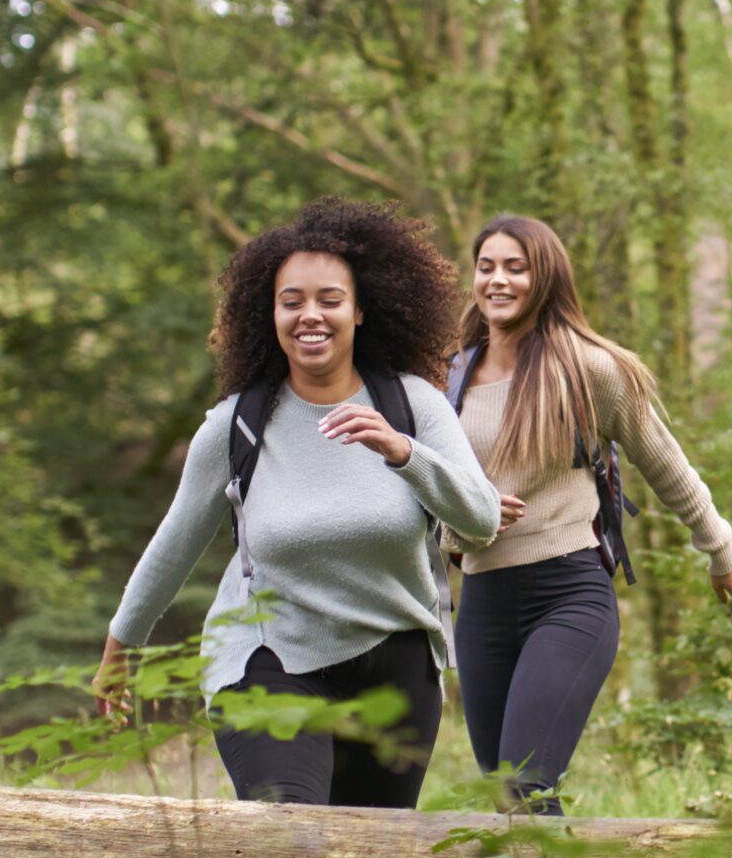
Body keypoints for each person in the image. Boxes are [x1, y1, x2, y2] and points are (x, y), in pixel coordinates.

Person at [99, 198, 501, 809]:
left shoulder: (415, 406)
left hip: (394, 666)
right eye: (292, 301)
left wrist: (403, 453)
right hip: (269, 658)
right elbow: (174, 544)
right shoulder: (237, 426)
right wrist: (119, 650)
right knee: (290, 832)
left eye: (329, 300)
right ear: (271, 315)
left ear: (361, 311)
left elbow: (481, 518)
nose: (310, 316)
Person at [447, 215, 732, 810]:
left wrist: (721, 551)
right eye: (487, 267)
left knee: (526, 782)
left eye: (516, 267)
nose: (498, 280)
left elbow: (666, 465)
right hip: (480, 602)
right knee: (504, 797)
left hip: (566, 593)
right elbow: (424, 490)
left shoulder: (588, 369)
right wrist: (456, 527)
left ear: (546, 277)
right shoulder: (448, 374)